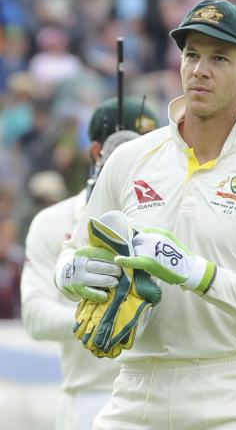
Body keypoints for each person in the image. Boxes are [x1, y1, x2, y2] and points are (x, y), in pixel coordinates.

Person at [54, 0, 236, 429]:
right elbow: (71, 258)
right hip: (137, 386)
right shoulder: (131, 158)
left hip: (233, 387)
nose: (199, 69)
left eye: (219, 58)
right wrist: (72, 275)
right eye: (192, 54)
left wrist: (192, 271)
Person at [20, 97, 158, 430]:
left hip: (159, 394)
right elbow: (35, 316)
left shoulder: (166, 217)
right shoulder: (53, 221)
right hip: (89, 396)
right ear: (98, 152)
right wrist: (98, 319)